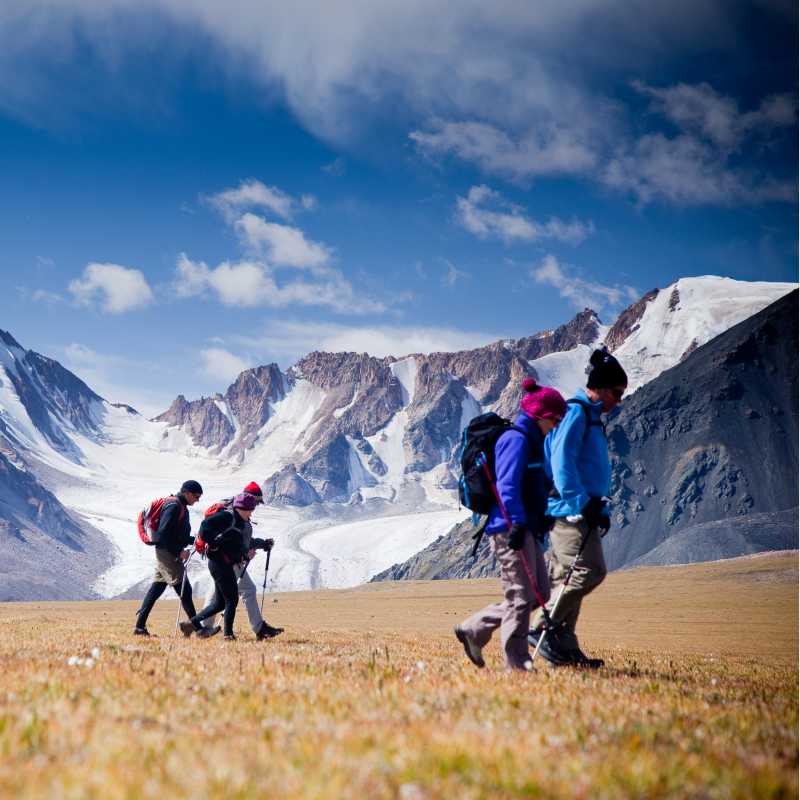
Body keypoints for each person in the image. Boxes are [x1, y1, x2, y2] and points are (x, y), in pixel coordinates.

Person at [455, 378, 567, 671]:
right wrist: (516, 523)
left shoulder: (531, 441)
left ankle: (474, 628)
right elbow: (507, 487)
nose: (556, 425)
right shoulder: (516, 440)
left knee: (539, 592)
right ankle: (517, 666)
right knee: (520, 597)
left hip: (525, 527)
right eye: (555, 419)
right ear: (541, 416)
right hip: (509, 528)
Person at [528, 347, 627, 669]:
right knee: (589, 571)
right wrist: (581, 503)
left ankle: (564, 647)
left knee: (568, 577)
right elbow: (562, 463)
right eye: (616, 393)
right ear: (600, 387)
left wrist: (598, 510)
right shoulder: (577, 412)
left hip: (580, 508)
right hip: (568, 511)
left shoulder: (591, 417)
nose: (619, 400)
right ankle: (541, 627)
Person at [200, 481, 284, 640]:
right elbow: (243, 541)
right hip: (228, 560)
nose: (256, 506)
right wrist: (256, 547)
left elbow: (242, 540)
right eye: (256, 501)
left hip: (222, 559)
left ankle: (204, 627)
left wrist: (261, 544)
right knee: (237, 593)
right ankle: (254, 629)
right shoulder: (236, 516)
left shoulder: (234, 510)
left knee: (223, 593)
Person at [180, 493, 256, 641]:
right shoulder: (227, 517)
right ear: (242, 508)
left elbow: (234, 543)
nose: (251, 513)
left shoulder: (238, 521)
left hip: (222, 563)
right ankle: (228, 635)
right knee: (231, 599)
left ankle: (189, 624)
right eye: (250, 510)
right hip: (220, 564)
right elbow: (204, 527)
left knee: (220, 603)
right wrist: (213, 544)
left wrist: (246, 553)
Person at [134, 479, 203, 636]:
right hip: (168, 553)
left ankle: (139, 627)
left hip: (165, 551)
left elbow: (175, 534)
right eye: (196, 496)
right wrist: (178, 552)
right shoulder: (174, 506)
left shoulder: (178, 505)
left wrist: (196, 540)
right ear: (187, 493)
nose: (198, 499)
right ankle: (199, 629)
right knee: (184, 589)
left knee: (157, 588)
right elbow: (164, 534)